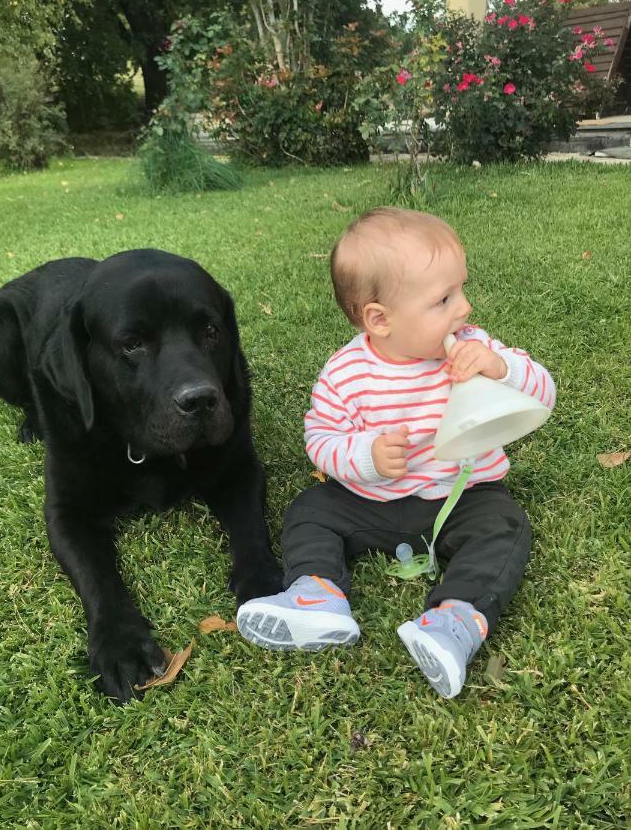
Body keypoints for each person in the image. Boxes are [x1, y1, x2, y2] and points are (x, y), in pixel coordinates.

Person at [237, 208, 556, 698]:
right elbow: (319, 440)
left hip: (461, 496)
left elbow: (541, 393)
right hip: (371, 502)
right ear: (379, 319)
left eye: (462, 290)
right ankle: (317, 593)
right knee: (309, 511)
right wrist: (364, 456)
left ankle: (455, 621)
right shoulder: (346, 374)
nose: (465, 308)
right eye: (444, 299)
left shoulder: (474, 348)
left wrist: (501, 368)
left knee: (506, 525)